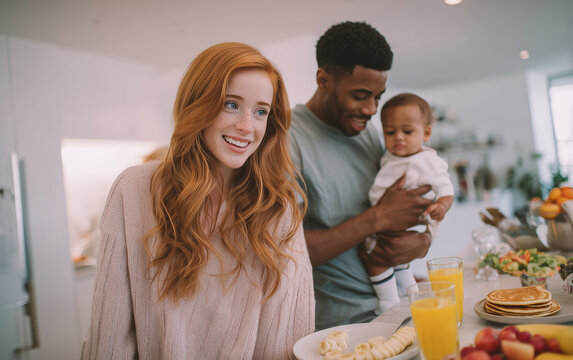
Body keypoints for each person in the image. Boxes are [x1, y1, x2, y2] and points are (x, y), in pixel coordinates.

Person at [82, 42, 315, 360]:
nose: (247, 126)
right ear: (197, 105)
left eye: (261, 111)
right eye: (231, 105)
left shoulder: (279, 208)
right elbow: (109, 338)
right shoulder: (133, 191)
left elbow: (289, 336)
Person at [288, 21, 434, 330]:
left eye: (378, 97)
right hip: (338, 327)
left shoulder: (366, 133)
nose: (370, 110)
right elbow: (283, 254)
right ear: (323, 80)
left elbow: (401, 206)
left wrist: (424, 240)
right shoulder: (286, 141)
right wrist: (376, 219)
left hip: (396, 309)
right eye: (361, 95)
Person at [366, 93, 455, 312]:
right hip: (385, 218)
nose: (398, 137)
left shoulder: (427, 161)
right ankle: (412, 296)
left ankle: (389, 304)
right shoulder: (390, 157)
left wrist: (441, 206)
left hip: (408, 220)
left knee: (376, 260)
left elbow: (446, 190)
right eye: (390, 132)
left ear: (426, 133)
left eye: (407, 131)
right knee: (399, 262)